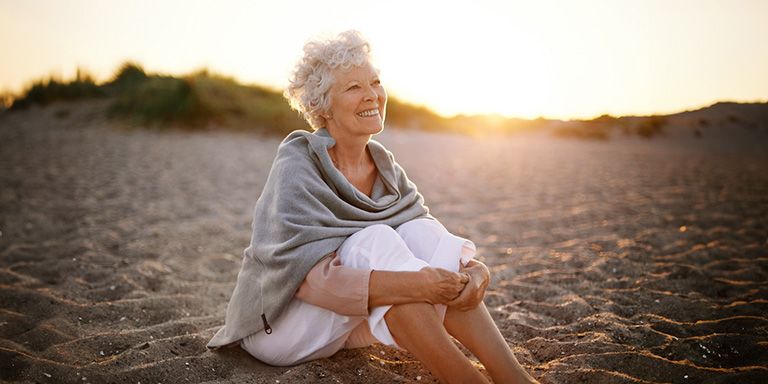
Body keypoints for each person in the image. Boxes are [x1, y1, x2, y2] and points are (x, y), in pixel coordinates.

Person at [207, 30, 538, 384]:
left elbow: (430, 245)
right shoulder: (298, 164)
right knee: (376, 240)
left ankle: (514, 377)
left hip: (344, 326)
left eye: (376, 82)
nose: (372, 96)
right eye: (353, 88)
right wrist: (418, 285)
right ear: (322, 106)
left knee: (418, 230)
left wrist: (475, 273)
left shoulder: (384, 165)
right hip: (279, 326)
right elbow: (310, 283)